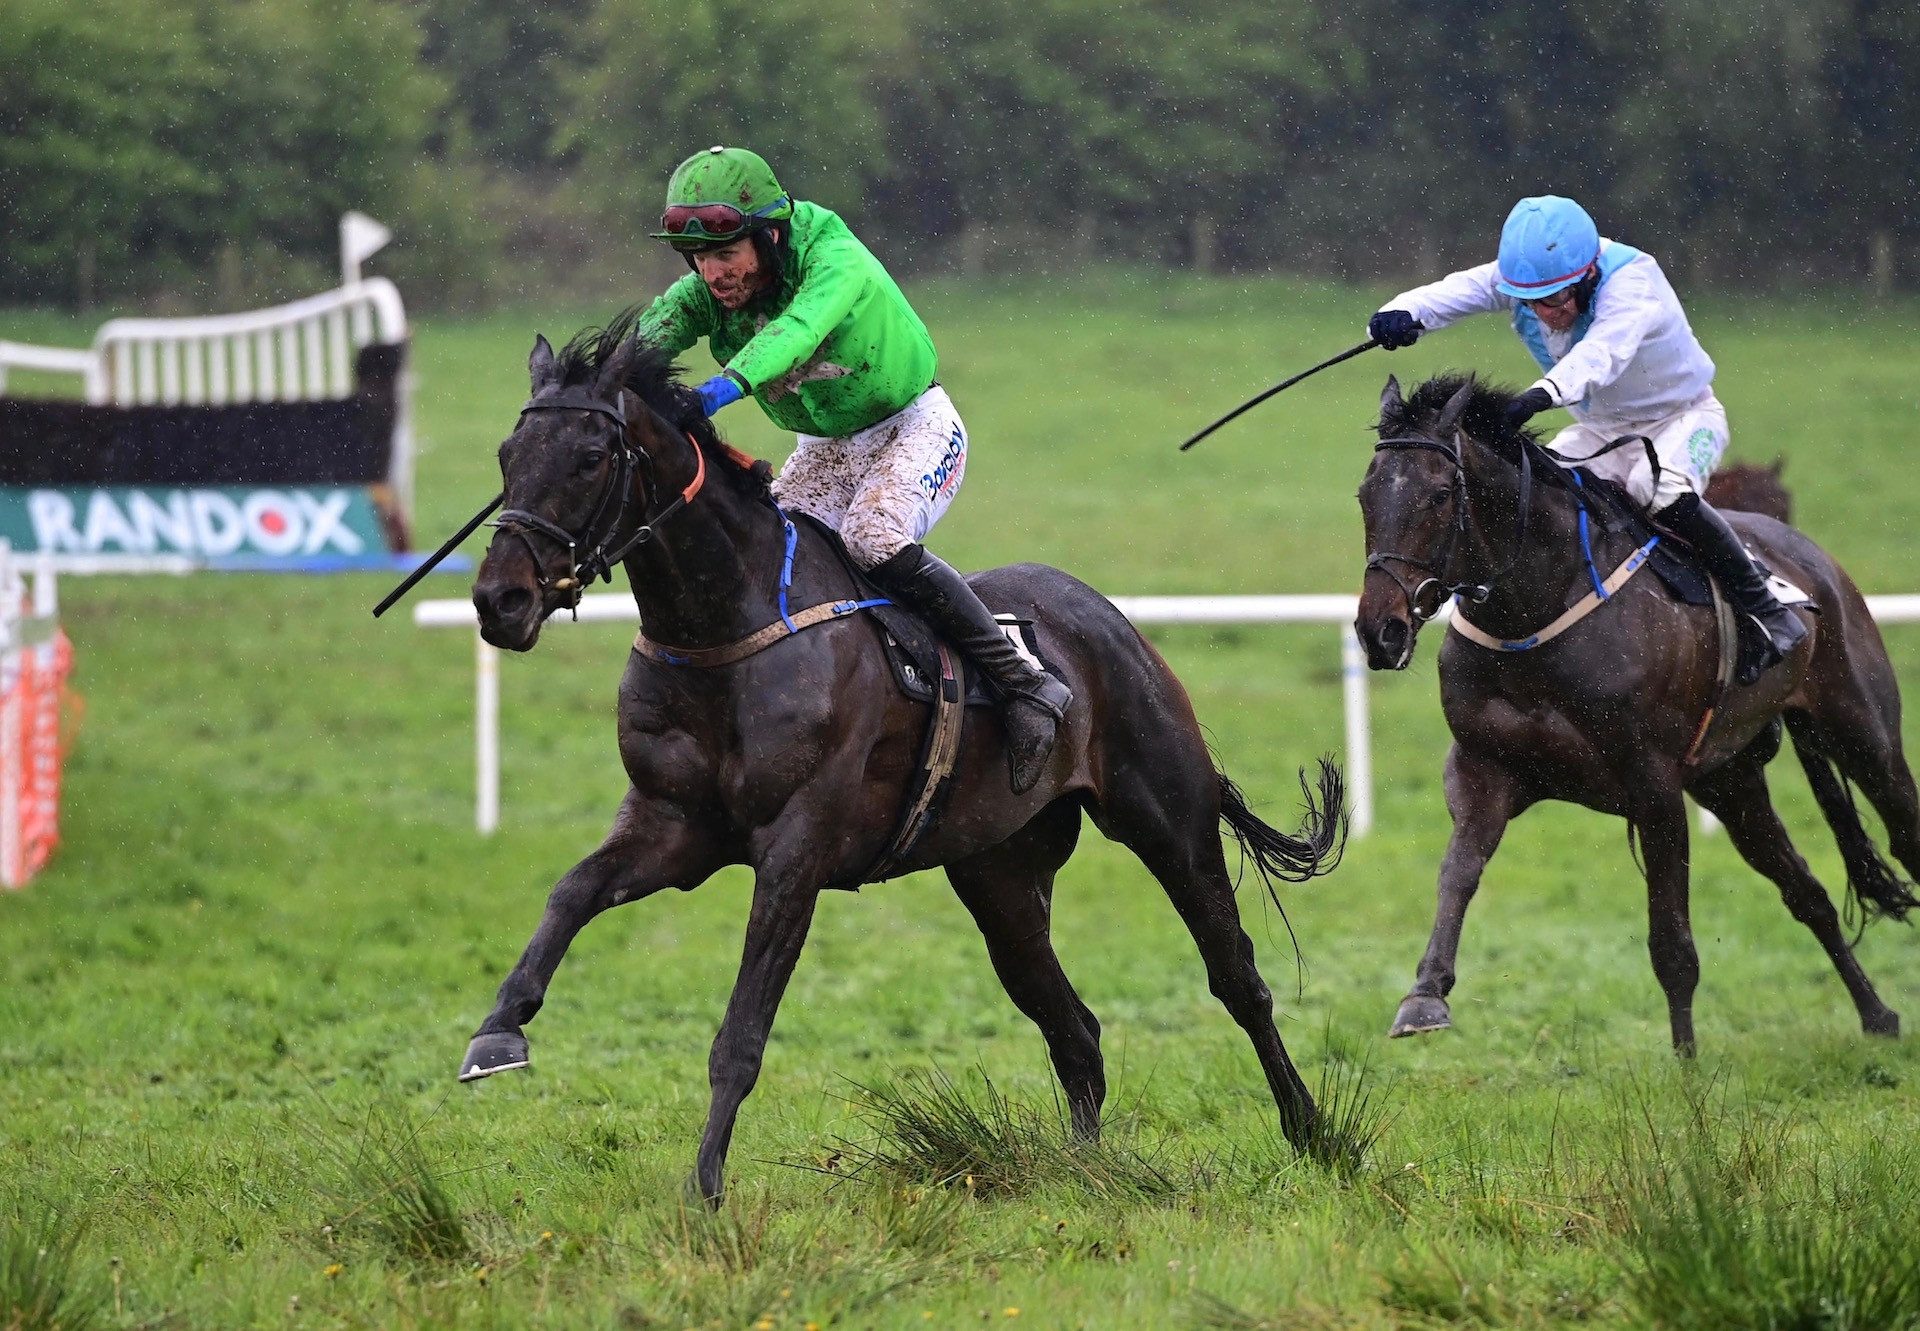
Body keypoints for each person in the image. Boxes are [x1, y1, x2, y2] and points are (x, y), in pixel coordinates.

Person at [636, 146, 1070, 792]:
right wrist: (589, 391)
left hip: (914, 427)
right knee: (770, 558)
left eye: (726, 255)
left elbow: (797, 331)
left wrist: (716, 394)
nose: (712, 274)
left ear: (772, 234)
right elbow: (654, 329)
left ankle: (1025, 684)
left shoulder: (833, 259)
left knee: (873, 537)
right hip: (824, 447)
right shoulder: (710, 290)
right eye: (699, 259)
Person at [1367, 195, 1807, 684]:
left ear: (1589, 273)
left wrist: (1537, 397)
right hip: (1601, 432)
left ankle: (1768, 613)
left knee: (1656, 489)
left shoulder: (1633, 283)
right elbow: (1459, 291)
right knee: (1536, 491)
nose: (1544, 313)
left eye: (1554, 300)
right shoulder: (1536, 275)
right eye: (1531, 302)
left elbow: (1602, 355)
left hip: (1682, 419)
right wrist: (1401, 313)